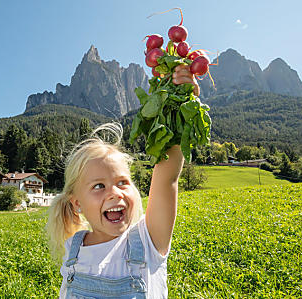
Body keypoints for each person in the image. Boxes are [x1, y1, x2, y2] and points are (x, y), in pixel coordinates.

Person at [46, 65, 199, 298]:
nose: (115, 192)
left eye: (122, 182)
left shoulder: (149, 241)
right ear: (77, 203)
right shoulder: (74, 250)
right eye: (99, 186)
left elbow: (167, 175)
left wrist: (179, 103)